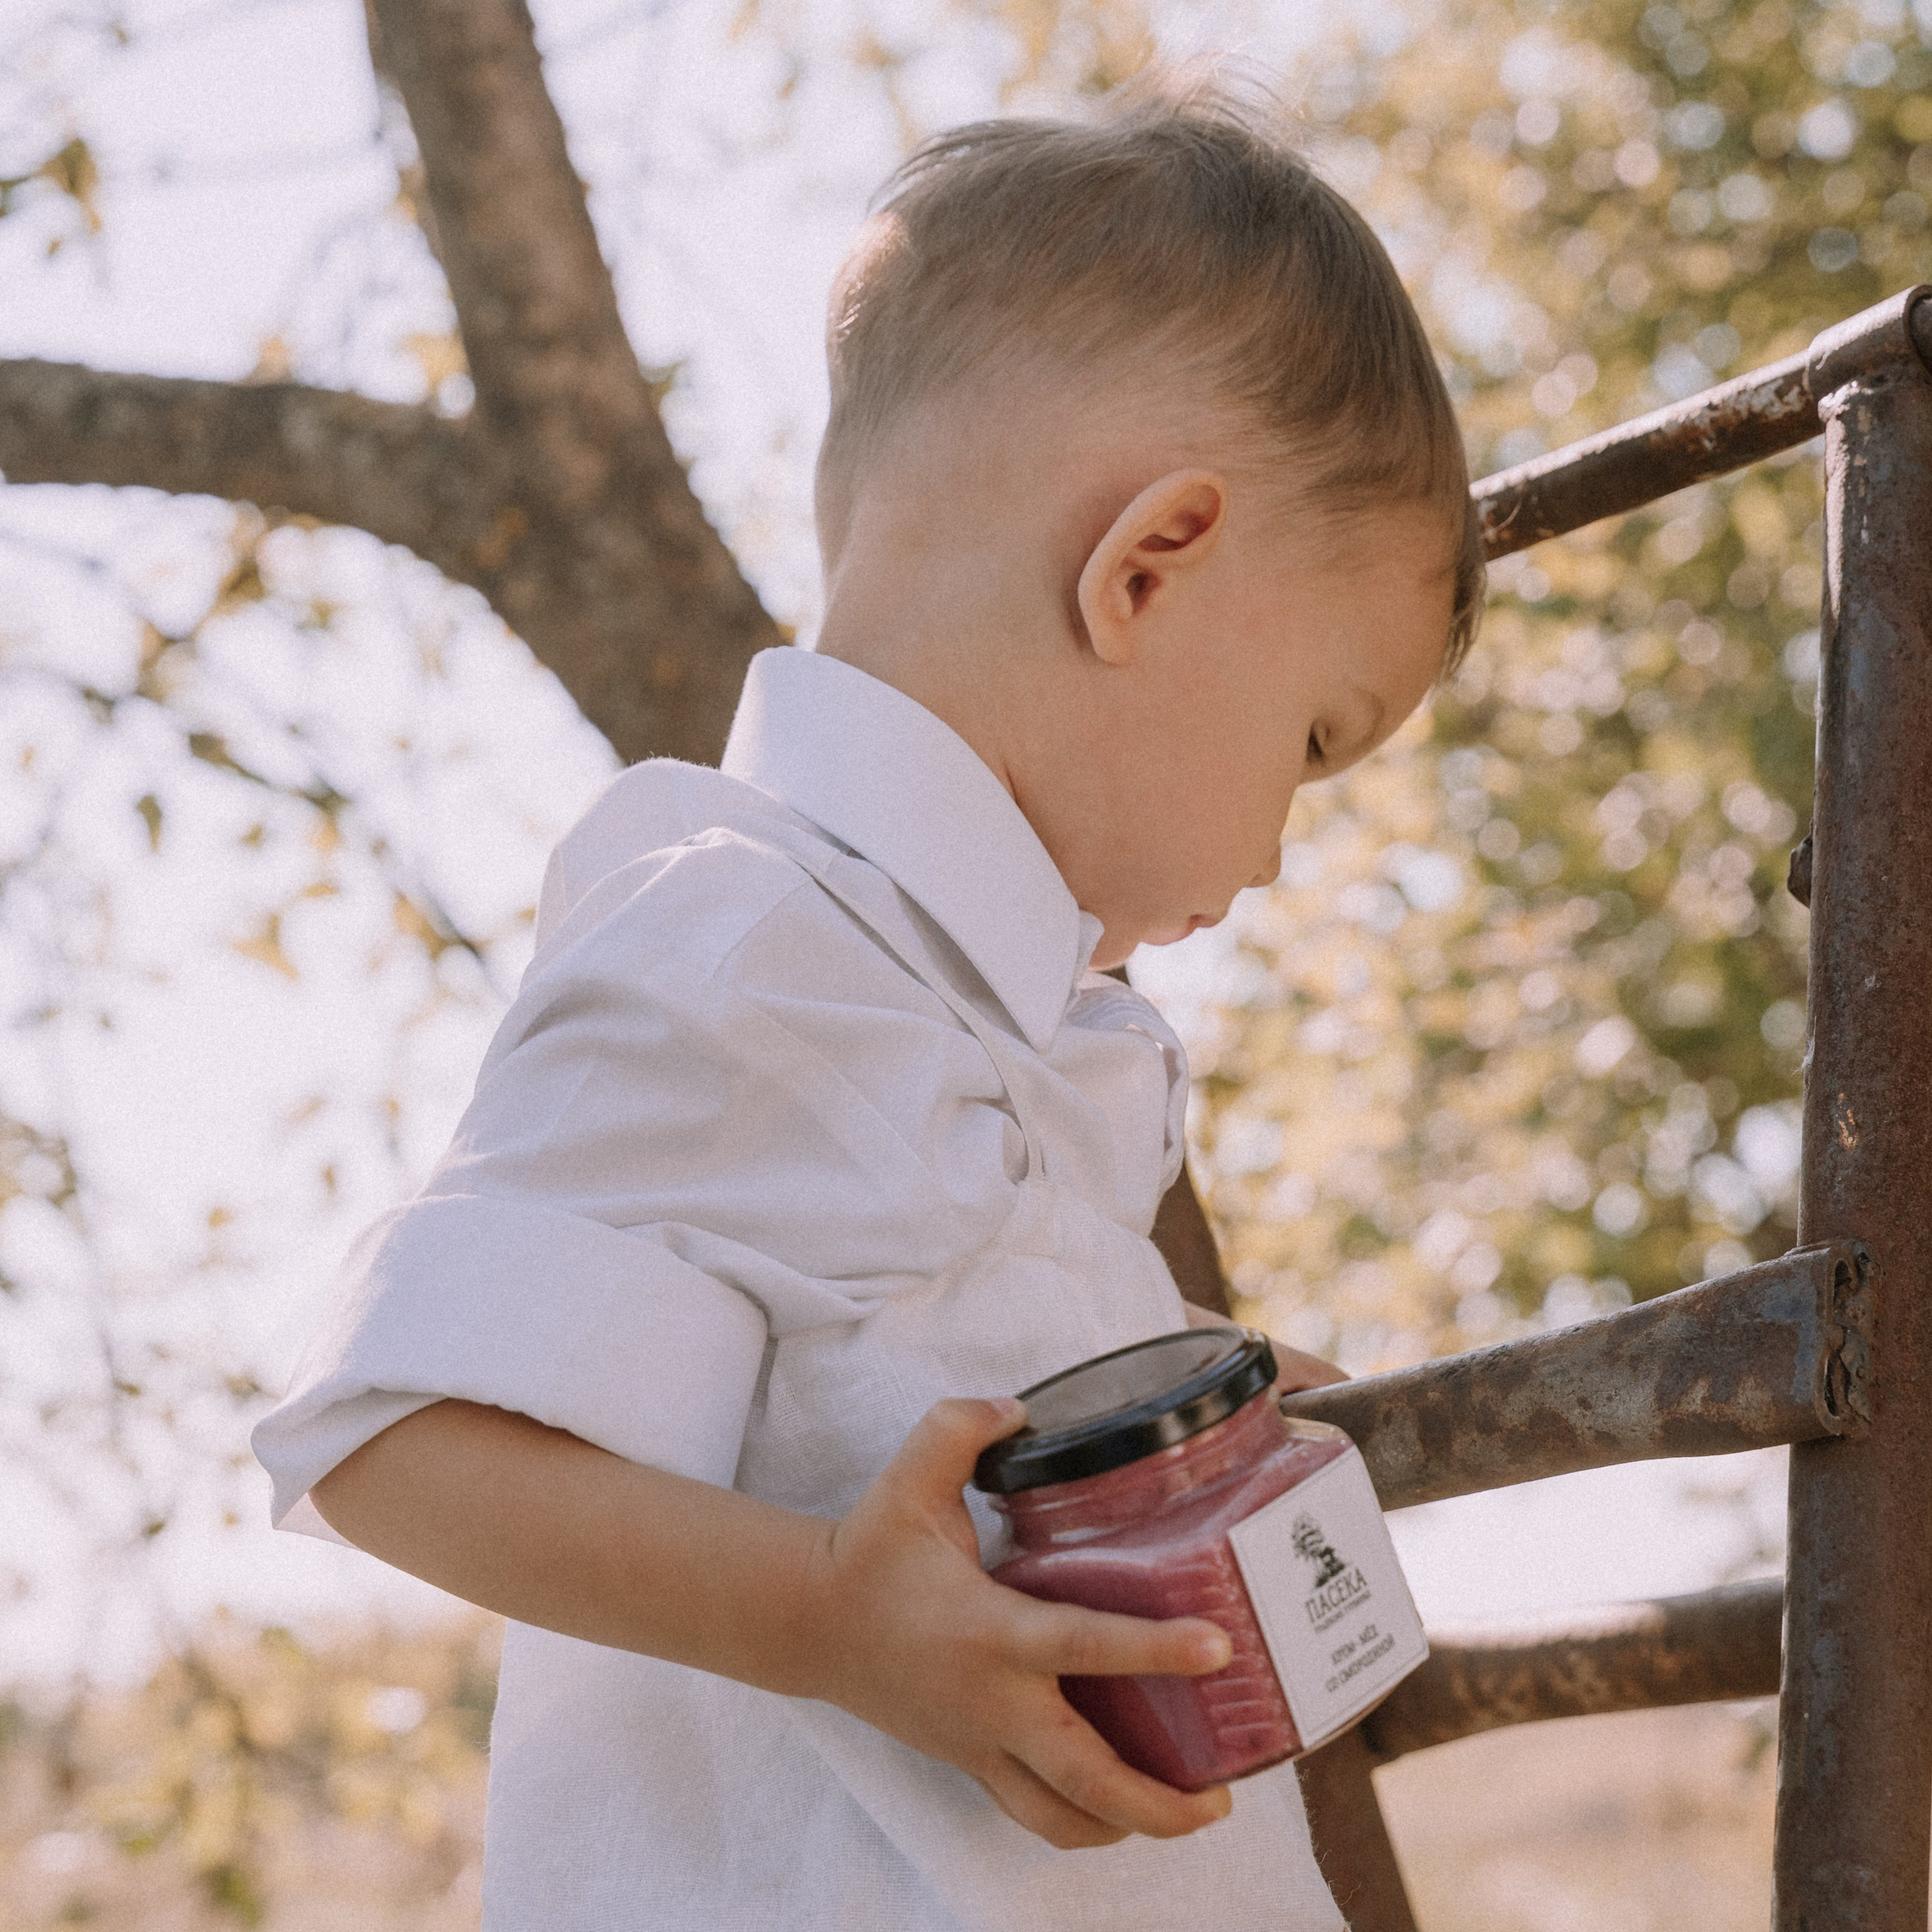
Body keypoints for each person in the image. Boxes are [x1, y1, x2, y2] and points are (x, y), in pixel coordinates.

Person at [254, 76, 1484, 1932]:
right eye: (1313, 737)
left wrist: (1181, 1372)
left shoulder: (981, 1019)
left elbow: (889, 1350)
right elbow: (391, 1437)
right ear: (1147, 565)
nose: (1281, 848)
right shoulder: (748, 938)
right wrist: (829, 1611)